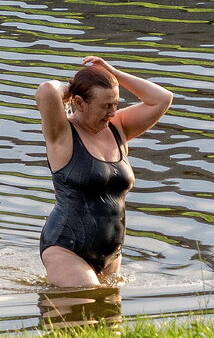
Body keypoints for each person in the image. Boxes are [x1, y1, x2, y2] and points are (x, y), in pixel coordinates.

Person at [35, 56, 173, 287]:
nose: (112, 112)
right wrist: (73, 87)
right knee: (85, 301)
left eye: (115, 104)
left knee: (108, 322)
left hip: (110, 256)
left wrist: (111, 73)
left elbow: (161, 98)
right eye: (105, 106)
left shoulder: (118, 128)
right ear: (79, 103)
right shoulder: (62, 134)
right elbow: (47, 90)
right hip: (66, 248)